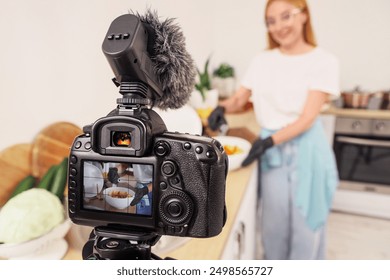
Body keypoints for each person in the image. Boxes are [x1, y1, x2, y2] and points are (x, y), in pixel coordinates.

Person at [208, 0, 340, 260]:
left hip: (307, 150)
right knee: (273, 226)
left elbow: (307, 118)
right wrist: (221, 108)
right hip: (272, 153)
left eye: (286, 16)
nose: (279, 26)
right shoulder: (262, 61)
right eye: (271, 21)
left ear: (303, 17)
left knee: (306, 227)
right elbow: (238, 99)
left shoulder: (324, 61)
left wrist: (268, 142)